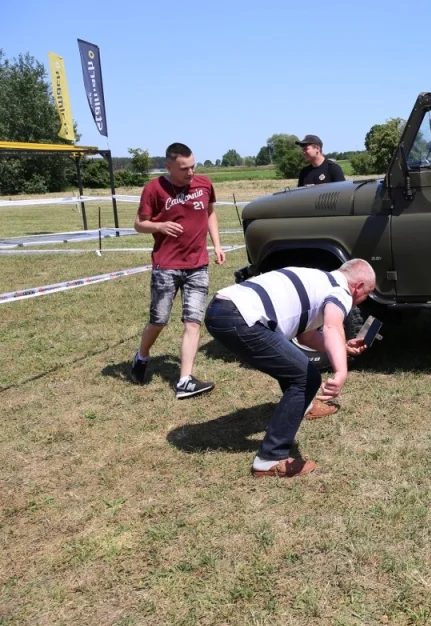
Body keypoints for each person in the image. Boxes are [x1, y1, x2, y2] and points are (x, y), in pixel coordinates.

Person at [204, 259, 376, 478]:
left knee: (294, 366)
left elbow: (307, 334)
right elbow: (333, 326)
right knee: (306, 378)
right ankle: (270, 458)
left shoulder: (319, 279)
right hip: (239, 317)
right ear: (357, 286)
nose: (363, 300)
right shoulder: (340, 290)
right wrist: (341, 371)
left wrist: (341, 347)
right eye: (366, 293)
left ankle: (303, 407)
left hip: (222, 308)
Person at [131, 142, 225, 398]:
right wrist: (159, 227)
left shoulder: (204, 184)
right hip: (166, 266)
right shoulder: (154, 188)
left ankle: (184, 380)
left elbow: (210, 213)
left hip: (198, 266)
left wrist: (216, 245)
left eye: (193, 166)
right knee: (159, 320)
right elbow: (139, 224)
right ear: (169, 166)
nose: (191, 172)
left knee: (193, 322)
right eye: (184, 168)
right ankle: (141, 357)